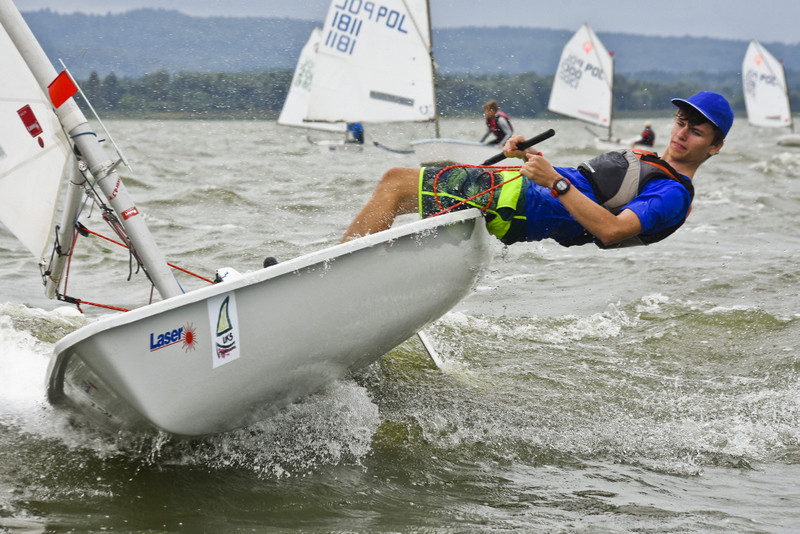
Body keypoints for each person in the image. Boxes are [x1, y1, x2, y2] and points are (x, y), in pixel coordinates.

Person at [341, 91, 733, 250]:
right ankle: (362, 272)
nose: (682, 134)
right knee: (403, 197)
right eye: (681, 122)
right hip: (520, 192)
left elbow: (612, 230)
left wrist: (554, 182)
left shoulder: (672, 193)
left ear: (714, 147)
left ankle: (333, 275)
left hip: (522, 203)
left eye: (696, 132)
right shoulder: (651, 162)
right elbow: (585, 185)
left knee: (394, 183)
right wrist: (528, 157)